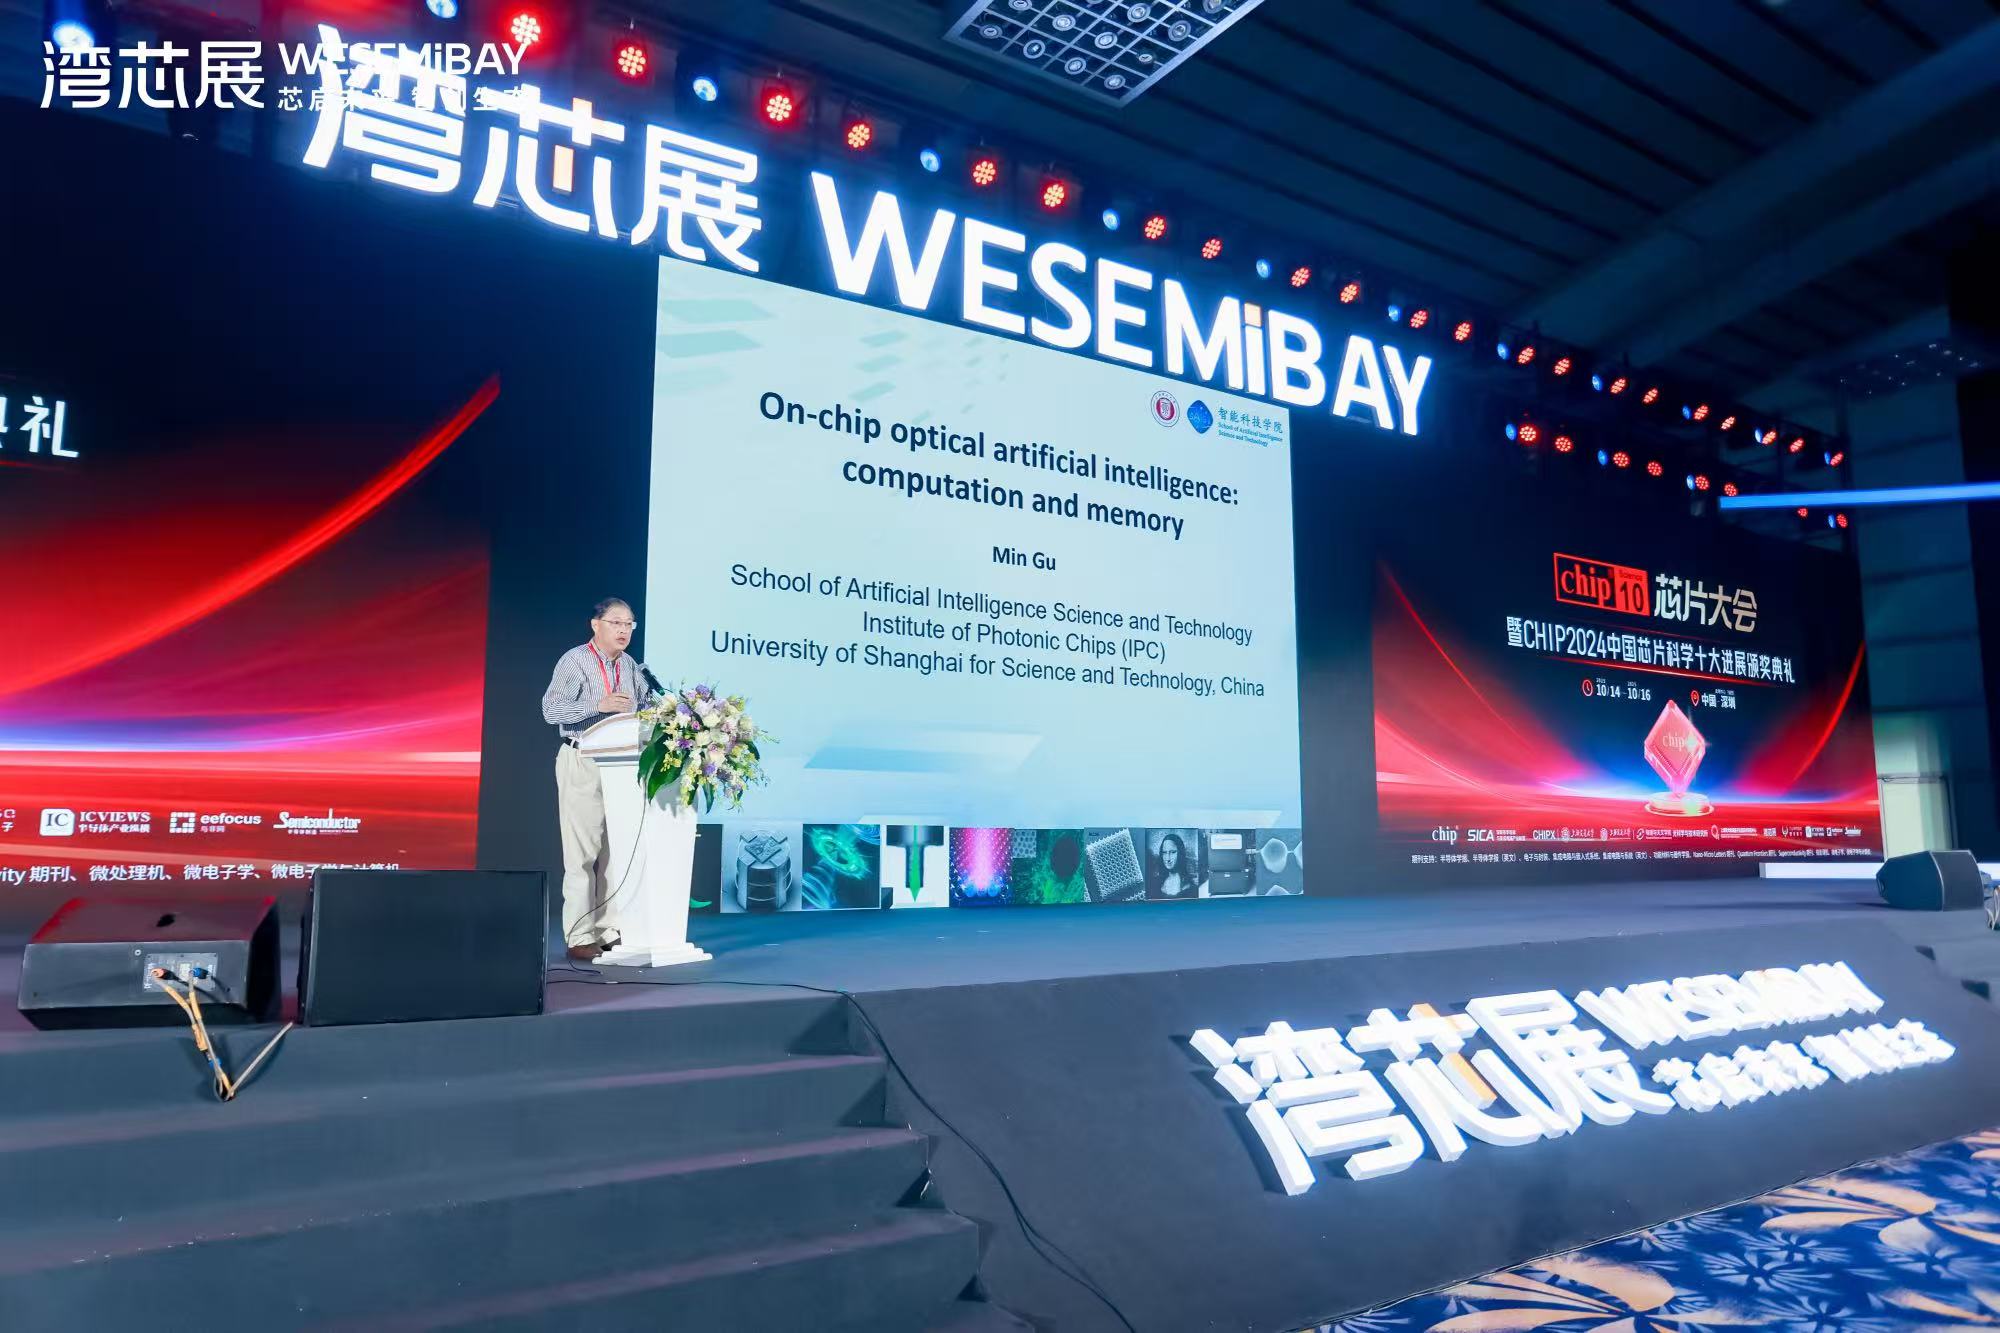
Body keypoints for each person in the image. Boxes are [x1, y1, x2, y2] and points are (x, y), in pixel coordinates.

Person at [541, 598, 659, 961]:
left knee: (615, 851)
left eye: (629, 624)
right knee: (582, 853)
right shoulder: (575, 660)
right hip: (583, 759)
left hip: (622, 765)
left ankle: (608, 930)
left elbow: (648, 707)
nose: (623, 630)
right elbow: (550, 710)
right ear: (596, 624)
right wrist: (598, 705)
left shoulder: (632, 667)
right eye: (616, 622)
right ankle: (580, 935)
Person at [1149, 831, 1205, 899]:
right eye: (1164, 852)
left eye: (1172, 852)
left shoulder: (1191, 888)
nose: (1168, 858)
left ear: (1180, 853)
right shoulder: (1155, 883)